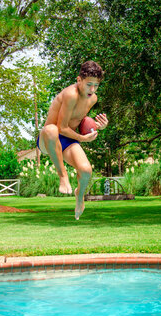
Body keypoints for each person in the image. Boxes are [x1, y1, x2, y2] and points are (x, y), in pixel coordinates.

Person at [37, 60, 108, 220]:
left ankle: (79, 195)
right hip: (48, 139)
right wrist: (82, 138)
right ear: (79, 80)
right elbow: (61, 127)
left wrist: (98, 126)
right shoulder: (71, 94)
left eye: (96, 85)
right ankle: (63, 177)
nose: (92, 89)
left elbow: (79, 120)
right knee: (51, 129)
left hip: (67, 140)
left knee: (85, 171)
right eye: (89, 84)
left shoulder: (92, 99)